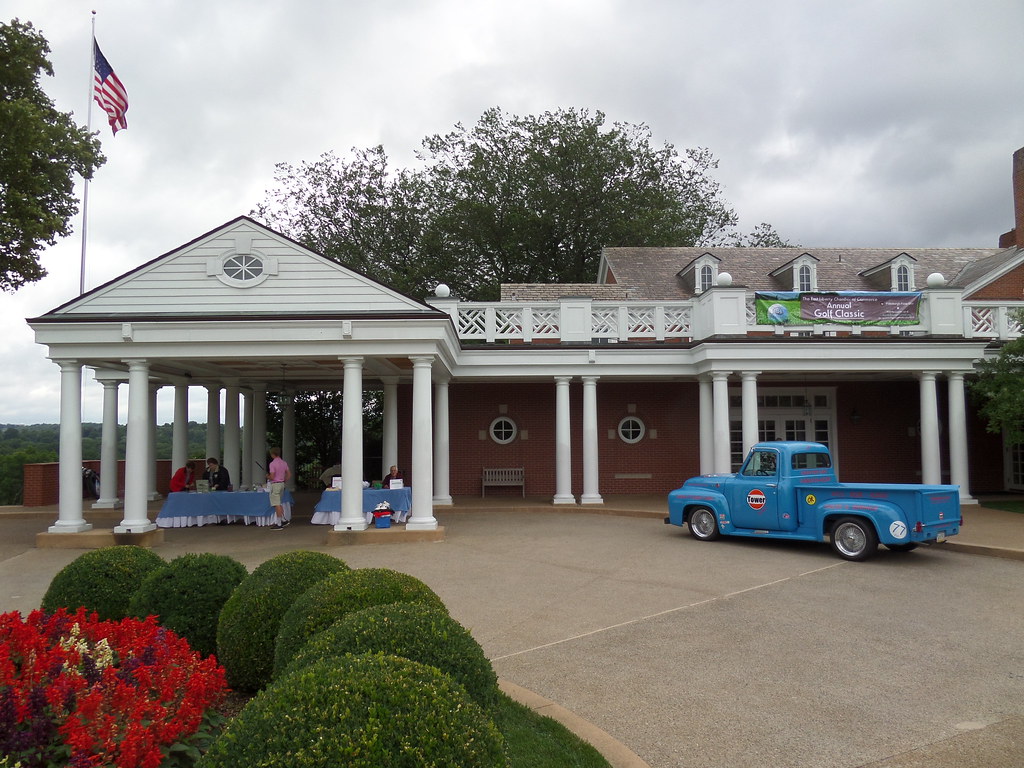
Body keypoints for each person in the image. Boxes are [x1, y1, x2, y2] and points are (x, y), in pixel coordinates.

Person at [267, 447, 291, 531]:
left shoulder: (272, 464)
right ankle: (283, 520)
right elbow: (289, 474)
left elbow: (272, 476)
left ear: (272, 454)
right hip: (282, 484)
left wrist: (268, 476)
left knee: (276, 504)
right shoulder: (284, 463)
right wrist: (284, 480)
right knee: (279, 502)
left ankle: (279, 523)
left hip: (275, 484)